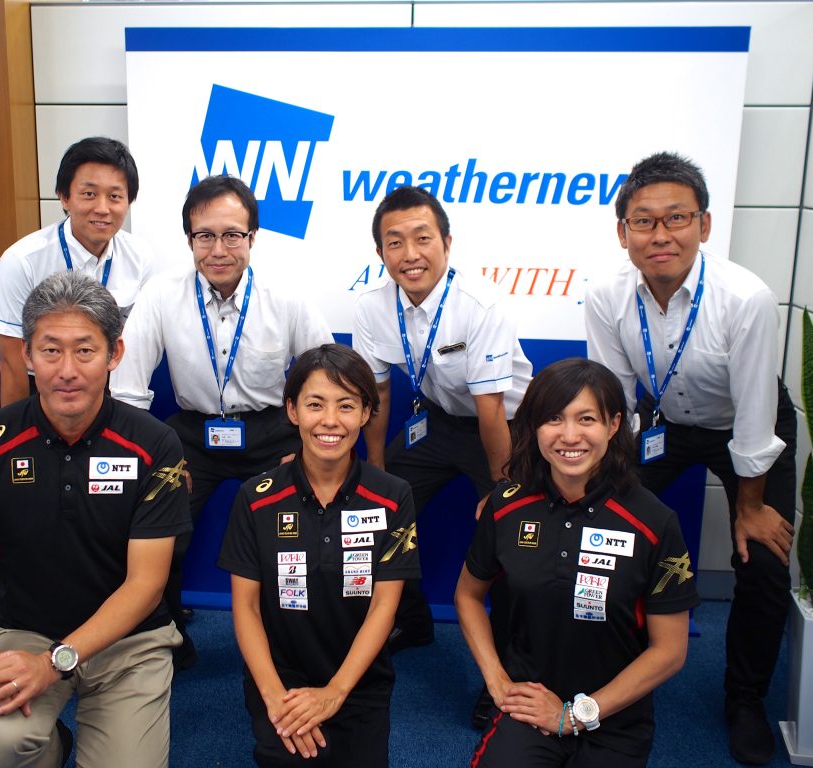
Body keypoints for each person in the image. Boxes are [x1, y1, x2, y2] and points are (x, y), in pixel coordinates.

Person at [0, 271, 189, 768]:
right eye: (50, 351)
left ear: (114, 355)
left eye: (85, 351)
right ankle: (52, 747)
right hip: (23, 633)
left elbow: (146, 584)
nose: (67, 370)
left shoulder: (155, 444)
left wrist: (54, 664)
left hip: (129, 643)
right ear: (25, 356)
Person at [584, 152, 796, 765]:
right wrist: (607, 485)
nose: (660, 235)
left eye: (676, 218)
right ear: (623, 233)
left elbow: (755, 417)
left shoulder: (745, 298)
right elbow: (612, 398)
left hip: (747, 426)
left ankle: (745, 698)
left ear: (704, 226)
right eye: (644, 222)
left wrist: (750, 509)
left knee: (762, 562)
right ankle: (602, 669)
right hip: (662, 426)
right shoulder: (605, 295)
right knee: (599, 527)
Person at [111, 174, 332, 667]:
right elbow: (126, 388)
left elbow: (327, 379)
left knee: (290, 532)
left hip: (274, 431)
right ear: (188, 239)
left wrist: (309, 447)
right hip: (192, 432)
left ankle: (290, 636)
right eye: (204, 235)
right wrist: (154, 462)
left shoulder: (287, 296)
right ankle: (162, 631)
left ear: (253, 237)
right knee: (158, 526)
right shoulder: (161, 294)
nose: (218, 248)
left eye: (232, 234)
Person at [456, 358, 699, 767]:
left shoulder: (654, 522)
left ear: (614, 425)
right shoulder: (507, 505)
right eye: (553, 418)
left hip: (614, 715)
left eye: (586, 418)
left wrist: (575, 715)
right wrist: (497, 682)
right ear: (533, 427)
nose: (570, 436)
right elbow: (467, 595)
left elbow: (670, 650)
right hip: (528, 705)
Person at [352, 185, 532, 727]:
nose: (410, 254)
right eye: (395, 242)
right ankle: (411, 621)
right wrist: (377, 463)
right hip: (433, 422)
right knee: (377, 505)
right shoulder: (370, 307)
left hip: (504, 428)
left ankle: (503, 674)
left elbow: (491, 408)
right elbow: (377, 394)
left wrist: (502, 488)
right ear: (381, 253)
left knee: (510, 534)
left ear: (447, 244)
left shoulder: (479, 306)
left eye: (423, 239)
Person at [217, 343, 420, 767]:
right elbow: (247, 609)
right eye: (315, 404)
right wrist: (275, 697)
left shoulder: (393, 496)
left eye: (346, 405)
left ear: (366, 413)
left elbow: (385, 606)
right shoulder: (255, 498)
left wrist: (335, 692)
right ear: (292, 410)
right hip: (281, 681)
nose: (330, 421)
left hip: (359, 682)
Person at [0, 136, 154, 408]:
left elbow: (134, 348)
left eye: (115, 196)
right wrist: (18, 434)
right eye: (89, 194)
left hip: (102, 383)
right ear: (64, 197)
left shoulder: (141, 257)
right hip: (31, 383)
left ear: (128, 201)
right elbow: (11, 359)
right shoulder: (22, 260)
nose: (102, 208)